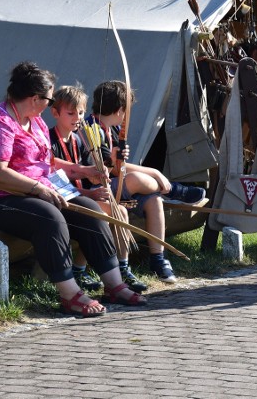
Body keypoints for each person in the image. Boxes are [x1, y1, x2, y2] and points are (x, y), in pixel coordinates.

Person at [0, 62, 146, 317]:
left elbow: (47, 163)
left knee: (90, 210)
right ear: (34, 98)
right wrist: (38, 187)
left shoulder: (35, 121)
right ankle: (70, 293)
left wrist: (81, 171)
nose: (50, 104)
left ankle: (114, 284)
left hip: (35, 192)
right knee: (49, 218)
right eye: (49, 99)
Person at [88, 80, 206, 286]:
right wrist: (155, 173)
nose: (126, 117)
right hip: (97, 189)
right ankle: (174, 190)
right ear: (119, 110)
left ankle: (158, 259)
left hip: (116, 185)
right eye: (126, 111)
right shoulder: (92, 129)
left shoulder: (111, 129)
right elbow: (115, 168)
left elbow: (120, 166)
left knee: (153, 200)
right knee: (137, 179)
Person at [48, 84, 112, 292]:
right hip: (62, 200)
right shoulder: (48, 140)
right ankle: (78, 269)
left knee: (118, 211)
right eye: (71, 113)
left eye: (81, 112)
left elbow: (86, 176)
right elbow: (56, 182)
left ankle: (120, 267)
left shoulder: (78, 139)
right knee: (100, 213)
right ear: (55, 113)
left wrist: (99, 176)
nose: (77, 117)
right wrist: (90, 193)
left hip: (78, 195)